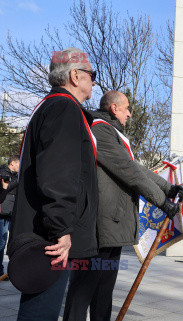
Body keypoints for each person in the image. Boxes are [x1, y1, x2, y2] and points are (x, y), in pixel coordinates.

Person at [63, 90, 183, 320]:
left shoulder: (112, 133)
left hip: (112, 222)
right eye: (127, 108)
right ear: (114, 108)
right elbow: (128, 170)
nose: (130, 114)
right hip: (99, 224)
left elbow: (136, 167)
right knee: (84, 288)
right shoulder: (99, 129)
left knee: (104, 289)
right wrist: (161, 202)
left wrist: (167, 189)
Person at [7, 47, 98, 320]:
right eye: (91, 74)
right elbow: (57, 173)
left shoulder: (52, 106)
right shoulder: (63, 108)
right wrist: (61, 228)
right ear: (74, 75)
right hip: (52, 239)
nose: (94, 81)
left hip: (48, 231)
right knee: (41, 312)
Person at [0, 155, 19, 281]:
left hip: (13, 212)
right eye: (18, 164)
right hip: (3, 213)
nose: (19, 166)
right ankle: (0, 271)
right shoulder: (3, 173)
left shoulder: (16, 176)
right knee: (1, 242)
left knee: (15, 240)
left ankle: (14, 271)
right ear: (12, 163)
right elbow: (7, 189)